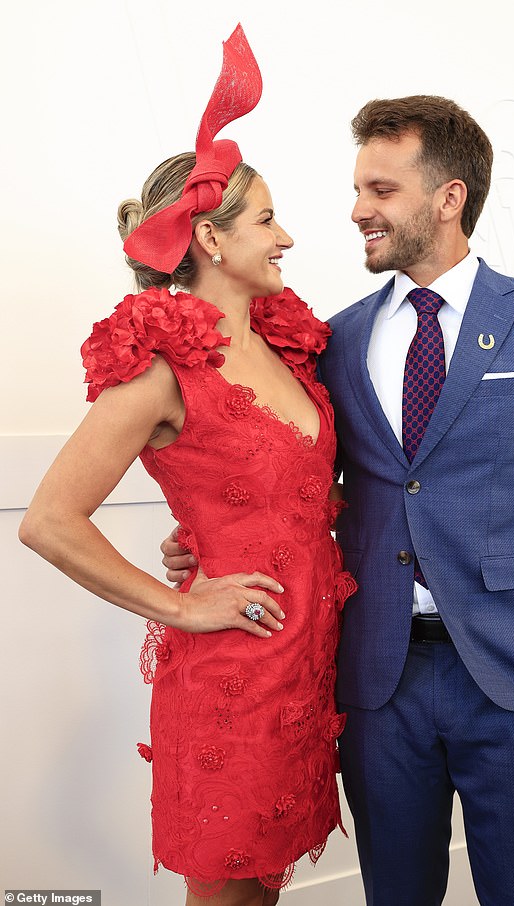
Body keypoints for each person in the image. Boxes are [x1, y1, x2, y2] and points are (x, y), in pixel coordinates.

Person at [163, 95, 514, 905]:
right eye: (357, 190)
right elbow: (308, 485)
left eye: (380, 190)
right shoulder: (332, 340)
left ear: (449, 197)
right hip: (377, 680)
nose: (357, 210)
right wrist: (212, 536)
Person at [19, 26, 355, 906]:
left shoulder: (286, 347)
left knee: (264, 889)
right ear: (209, 235)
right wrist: (179, 602)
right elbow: (48, 521)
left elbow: (287, 493)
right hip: (230, 676)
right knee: (224, 893)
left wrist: (206, 531)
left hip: (306, 664)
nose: (287, 237)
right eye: (268, 219)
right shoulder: (163, 366)